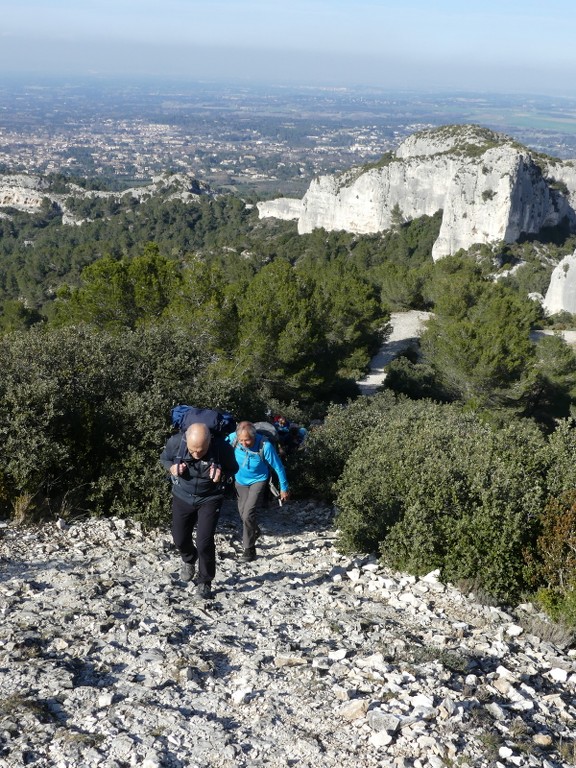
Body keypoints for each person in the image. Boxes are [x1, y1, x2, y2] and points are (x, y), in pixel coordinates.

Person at [160, 422, 238, 599]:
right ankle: (189, 559)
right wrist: (171, 468)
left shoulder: (222, 449)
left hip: (210, 499)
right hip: (182, 495)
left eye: (201, 451)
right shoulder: (176, 442)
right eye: (193, 450)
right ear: (186, 440)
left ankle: (205, 582)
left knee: (204, 541)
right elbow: (164, 458)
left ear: (209, 442)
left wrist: (222, 475)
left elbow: (234, 469)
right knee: (179, 538)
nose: (196, 454)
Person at [227, 421, 289, 562]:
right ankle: (254, 530)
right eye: (241, 440)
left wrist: (284, 488)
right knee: (243, 514)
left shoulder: (265, 446)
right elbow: (218, 446)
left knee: (248, 514)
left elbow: (279, 467)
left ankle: (249, 550)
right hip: (239, 481)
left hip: (258, 480)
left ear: (254, 436)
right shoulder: (233, 438)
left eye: (247, 440)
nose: (244, 443)